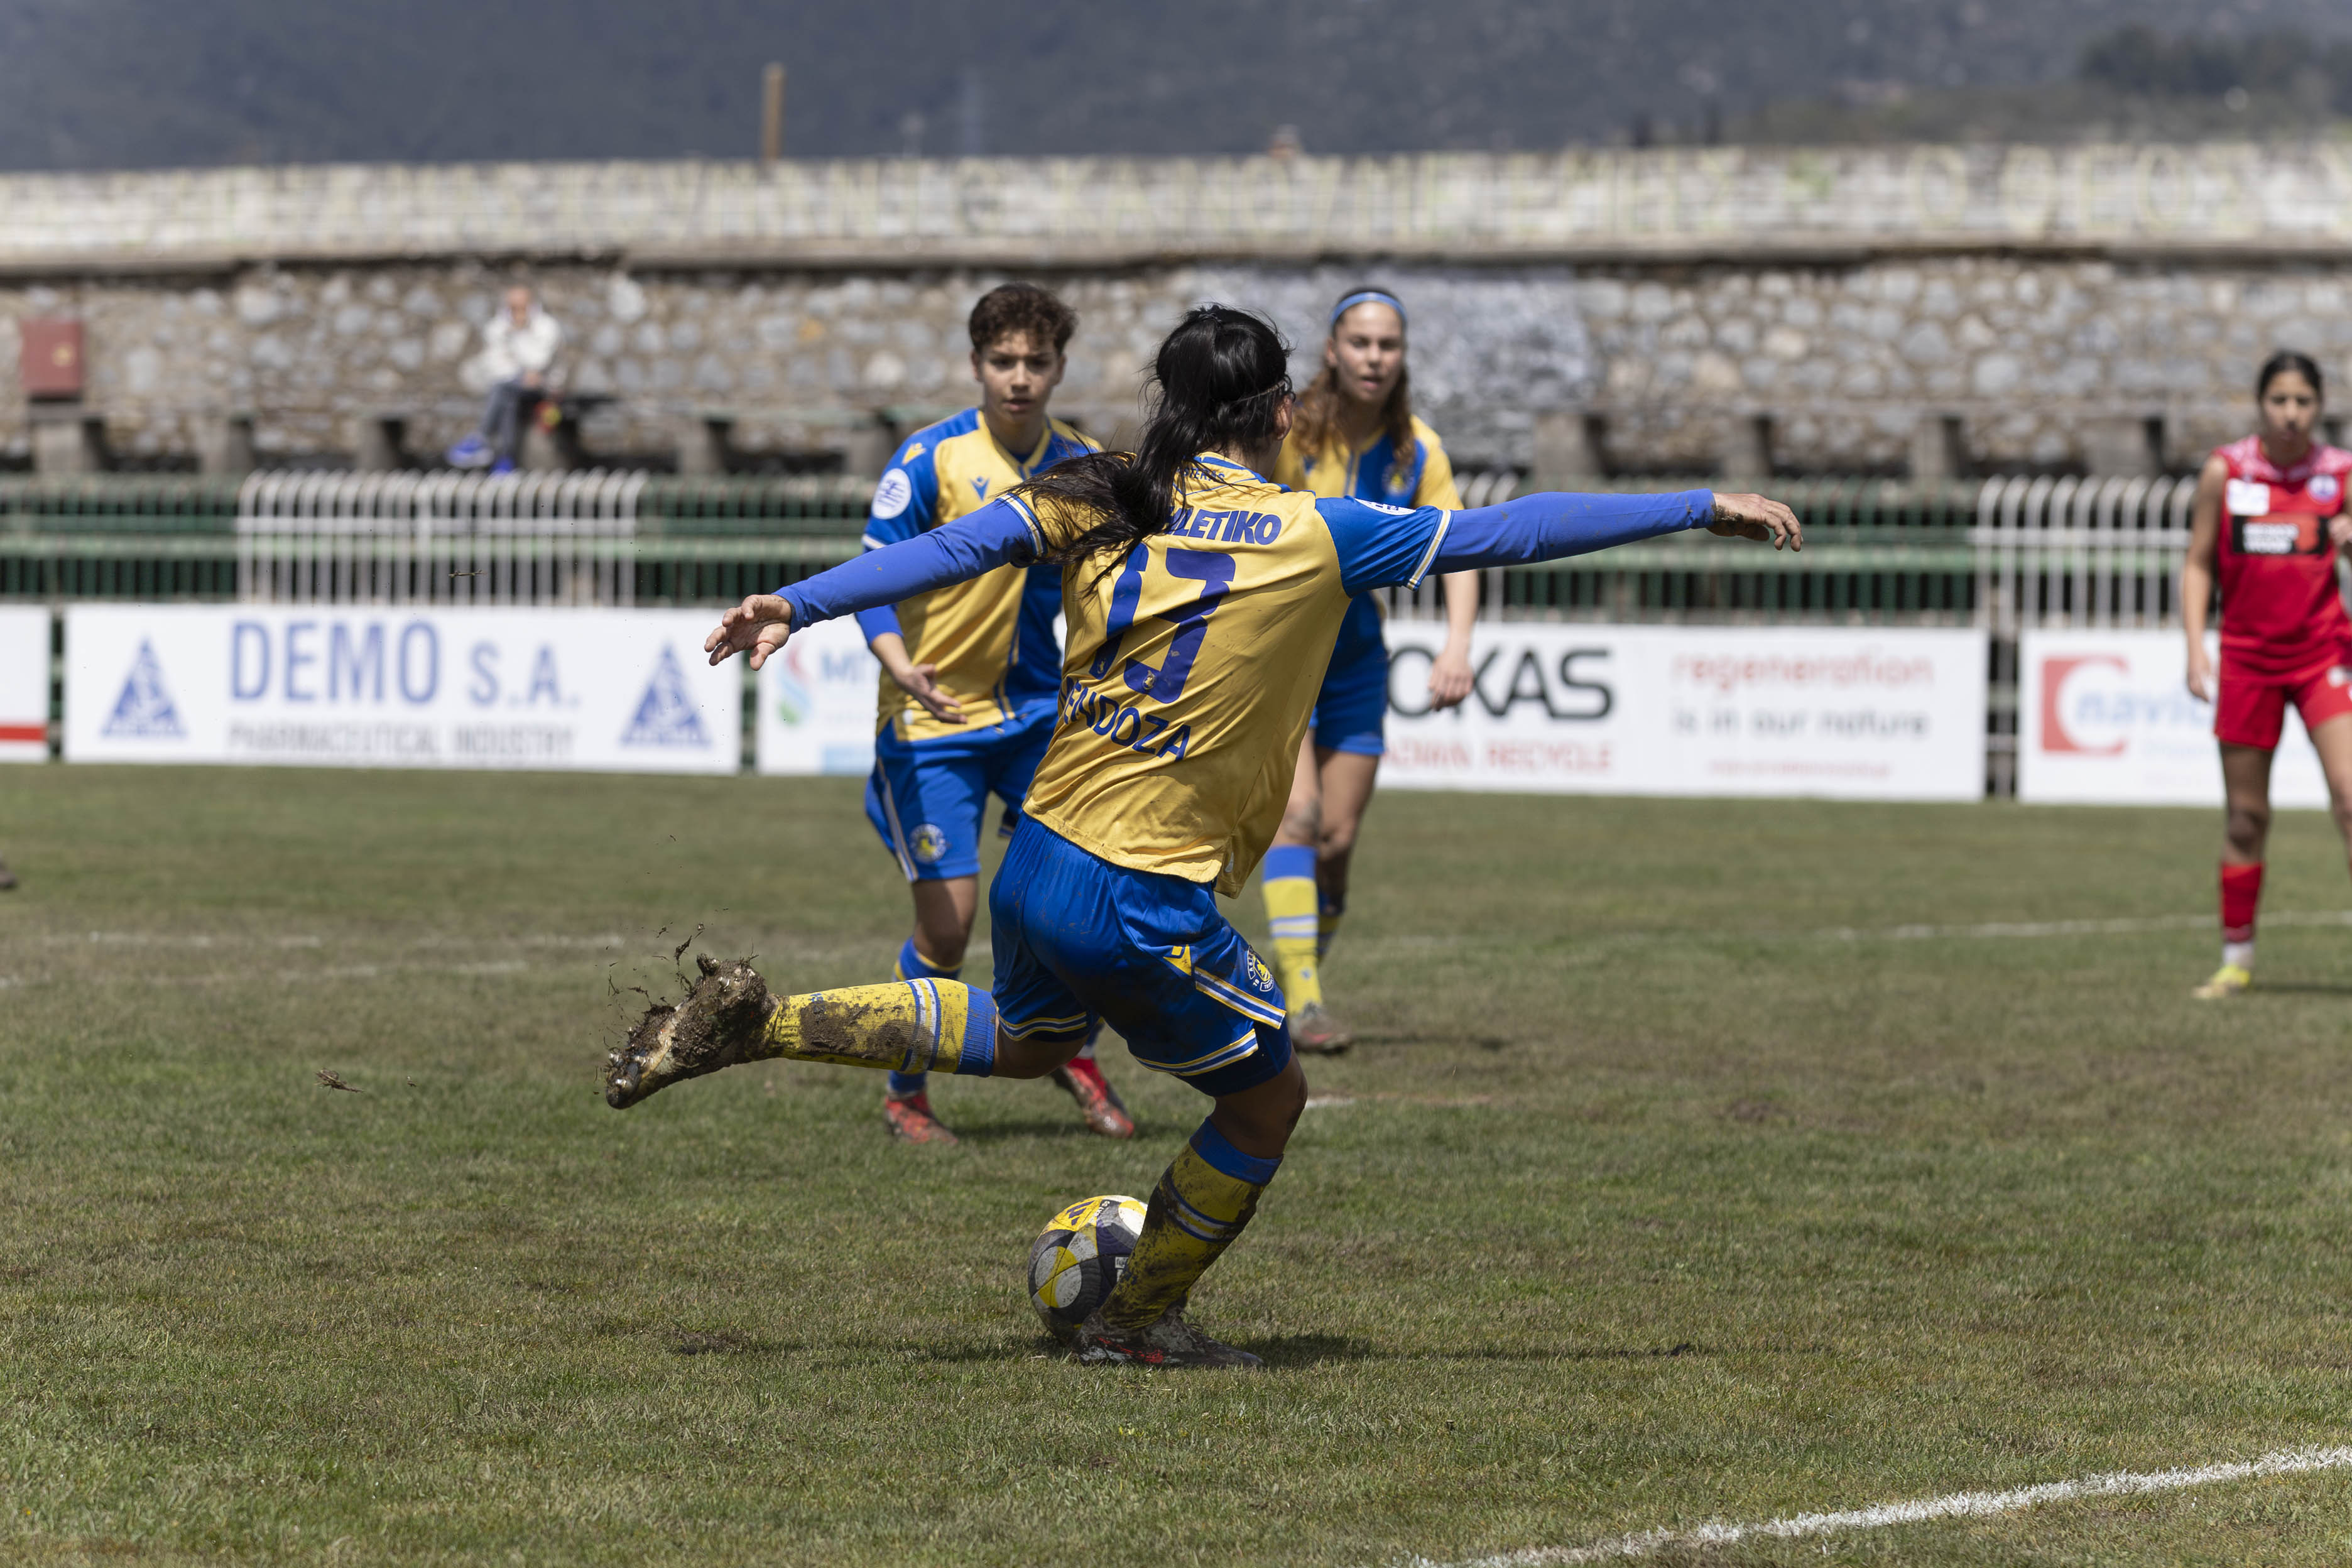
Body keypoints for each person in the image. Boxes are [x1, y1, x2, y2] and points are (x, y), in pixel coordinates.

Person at [615, 305, 1800, 1369]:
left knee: (1030, 1040)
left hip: (1043, 851)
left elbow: (955, 548)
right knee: (1266, 1102)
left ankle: (761, 1025)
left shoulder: (1100, 489)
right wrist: (1696, 505)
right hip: (1143, 887)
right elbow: (1516, 529)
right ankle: (1132, 1322)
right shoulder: (1316, 530)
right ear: (1280, 411)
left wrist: (798, 600)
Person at [851, 281, 1133, 1144]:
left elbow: (1119, 585)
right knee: (948, 932)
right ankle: (905, 1095)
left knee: (1083, 901)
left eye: (1035, 362)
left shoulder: (1084, 464)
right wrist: (902, 665)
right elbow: (872, 580)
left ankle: (1073, 1054)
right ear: (976, 364)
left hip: (1038, 719)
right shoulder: (929, 459)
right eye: (1003, 361)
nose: (1019, 377)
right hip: (929, 726)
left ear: (1059, 368)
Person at [1263, 286, 1479, 1052]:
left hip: (1356, 655)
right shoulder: (1286, 428)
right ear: (1332, 350)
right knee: (1298, 816)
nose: (1374, 357)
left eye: (1388, 345)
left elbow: (1459, 543)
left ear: (1402, 355)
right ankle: (1305, 1004)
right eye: (1360, 342)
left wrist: (1458, 644)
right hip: (1283, 650)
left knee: (1337, 843)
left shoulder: (1416, 447)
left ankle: (1291, 990)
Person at [2182, 350, 2352, 999]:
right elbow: (2199, 561)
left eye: (2303, 401)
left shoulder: (2340, 473)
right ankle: (2236, 958)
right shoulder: (2226, 471)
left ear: (2320, 406)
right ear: (2261, 403)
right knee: (2247, 817)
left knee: (2351, 799)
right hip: (2248, 660)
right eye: (2279, 400)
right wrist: (2196, 648)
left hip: (2323, 657)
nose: (2291, 413)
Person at [446, 286, 562, 475]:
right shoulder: (497, 327)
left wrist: (516, 337)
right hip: (512, 385)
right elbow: (495, 364)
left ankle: (483, 439)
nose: (518, 312)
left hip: (544, 388)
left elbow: (540, 362)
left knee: (503, 390)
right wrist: (521, 371)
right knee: (508, 398)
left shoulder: (546, 326)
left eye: (522, 307)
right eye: (513, 307)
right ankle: (506, 459)